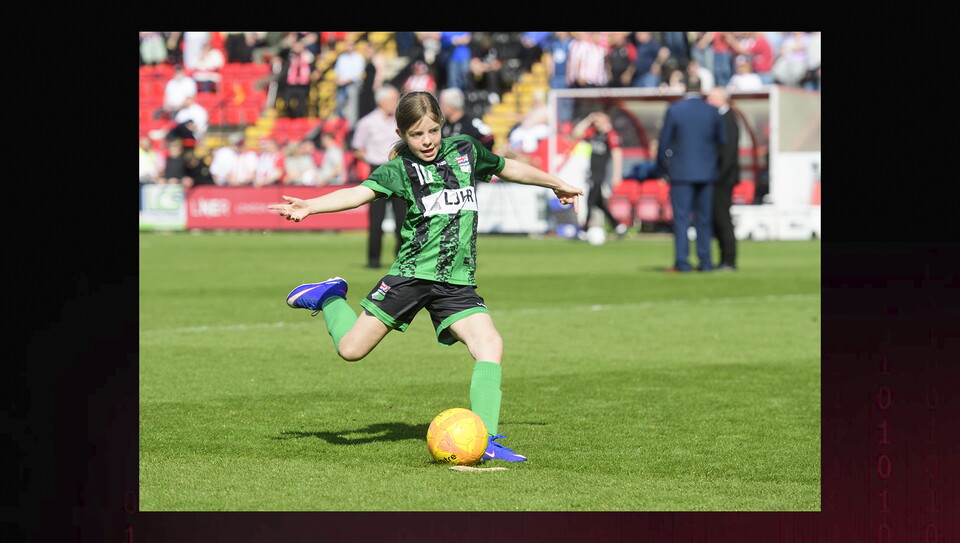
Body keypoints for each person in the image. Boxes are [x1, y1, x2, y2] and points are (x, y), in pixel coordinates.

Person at [268, 90, 584, 464]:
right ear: (402, 134)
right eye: (417, 135)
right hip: (410, 276)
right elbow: (358, 193)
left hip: (456, 282)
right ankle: (330, 296)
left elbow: (507, 167)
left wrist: (555, 182)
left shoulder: (466, 151)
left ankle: (487, 439)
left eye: (433, 131)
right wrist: (311, 206)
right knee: (350, 350)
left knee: (490, 344)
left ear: (442, 126)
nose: (428, 141)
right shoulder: (398, 170)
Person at [656, 76, 726, 273]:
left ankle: (682, 262)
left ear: (685, 88)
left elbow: (664, 143)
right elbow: (722, 140)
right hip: (706, 172)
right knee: (704, 219)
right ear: (702, 89)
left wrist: (661, 168)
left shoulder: (675, 110)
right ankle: (705, 262)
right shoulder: (712, 112)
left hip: (681, 172)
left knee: (681, 219)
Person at [351, 85, 407, 269]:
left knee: (403, 219)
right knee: (376, 221)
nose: (396, 103)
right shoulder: (367, 122)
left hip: (399, 170)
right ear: (382, 101)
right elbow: (357, 147)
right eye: (393, 100)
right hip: (377, 170)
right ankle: (373, 260)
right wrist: (370, 159)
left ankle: (401, 260)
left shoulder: (400, 120)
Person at [570, 110, 627, 236]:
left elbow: (617, 154)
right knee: (598, 202)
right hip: (592, 173)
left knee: (590, 200)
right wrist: (588, 120)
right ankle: (618, 226)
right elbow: (575, 134)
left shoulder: (611, 135)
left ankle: (584, 230)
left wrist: (617, 175)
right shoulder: (594, 134)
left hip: (601, 174)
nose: (596, 122)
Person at [706, 87, 740, 271]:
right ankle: (724, 259)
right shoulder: (722, 118)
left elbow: (727, 154)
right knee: (718, 218)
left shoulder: (727, 119)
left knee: (723, 218)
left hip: (722, 179)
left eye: (711, 98)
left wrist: (718, 176)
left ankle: (729, 260)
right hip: (721, 177)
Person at [279, 38, 316, 119]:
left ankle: (299, 121)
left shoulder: (306, 56)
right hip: (291, 84)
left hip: (302, 85)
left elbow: (312, 62)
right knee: (286, 103)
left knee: (301, 105)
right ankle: (291, 117)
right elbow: (281, 53)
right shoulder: (290, 56)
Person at [333, 39, 366, 125]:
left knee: (352, 107)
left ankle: (352, 126)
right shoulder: (342, 57)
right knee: (340, 105)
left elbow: (357, 74)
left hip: (352, 85)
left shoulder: (358, 57)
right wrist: (338, 80)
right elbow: (337, 71)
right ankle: (341, 125)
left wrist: (345, 81)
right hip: (341, 85)